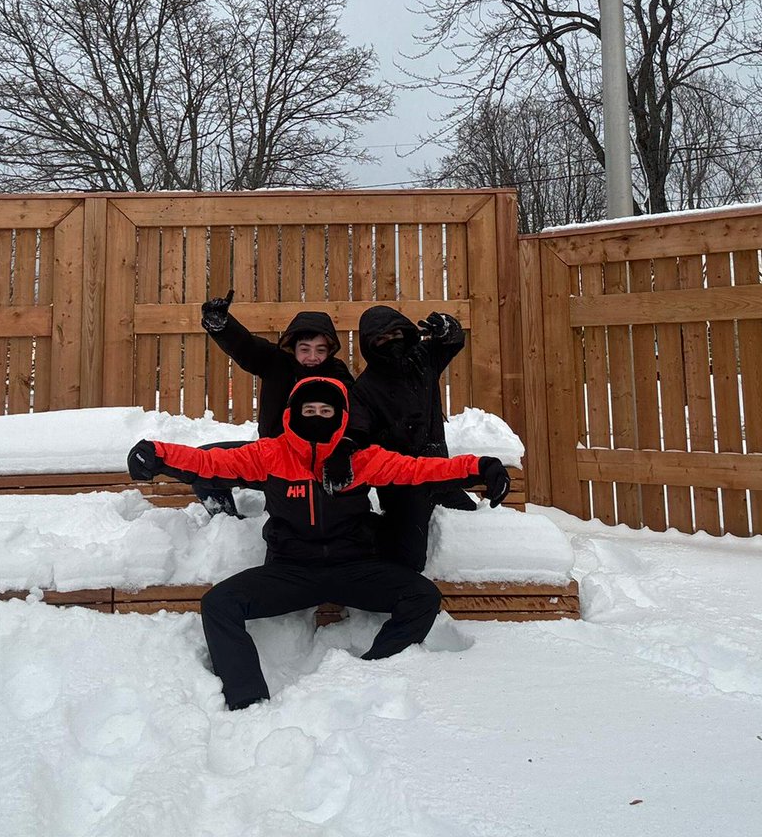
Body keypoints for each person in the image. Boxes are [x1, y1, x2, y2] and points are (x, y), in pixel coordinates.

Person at [127, 376, 510, 711]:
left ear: (340, 416)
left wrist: (479, 467)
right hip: (290, 571)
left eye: (325, 410)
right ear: (293, 413)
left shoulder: (360, 460)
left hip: (354, 568)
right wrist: (157, 454)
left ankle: (375, 670)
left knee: (423, 597)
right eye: (307, 408)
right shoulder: (270, 455)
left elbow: (421, 469)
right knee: (218, 603)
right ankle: (247, 701)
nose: (315, 415)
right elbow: (210, 464)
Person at [192, 290, 354, 516]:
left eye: (320, 350)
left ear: (330, 351)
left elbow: (355, 413)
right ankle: (226, 525)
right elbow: (246, 346)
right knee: (205, 461)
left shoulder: (337, 374)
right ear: (293, 348)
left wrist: (343, 448)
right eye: (305, 349)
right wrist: (223, 326)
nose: (312, 357)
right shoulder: (276, 362)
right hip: (269, 458)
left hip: (313, 465)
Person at [349, 305, 479, 573]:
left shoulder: (422, 359)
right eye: (381, 340)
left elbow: (454, 341)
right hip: (401, 485)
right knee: (409, 559)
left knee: (473, 525)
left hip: (440, 473)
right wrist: (393, 435)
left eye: (395, 334)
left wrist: (446, 326)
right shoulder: (364, 388)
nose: (391, 343)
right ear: (370, 345)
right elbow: (361, 438)